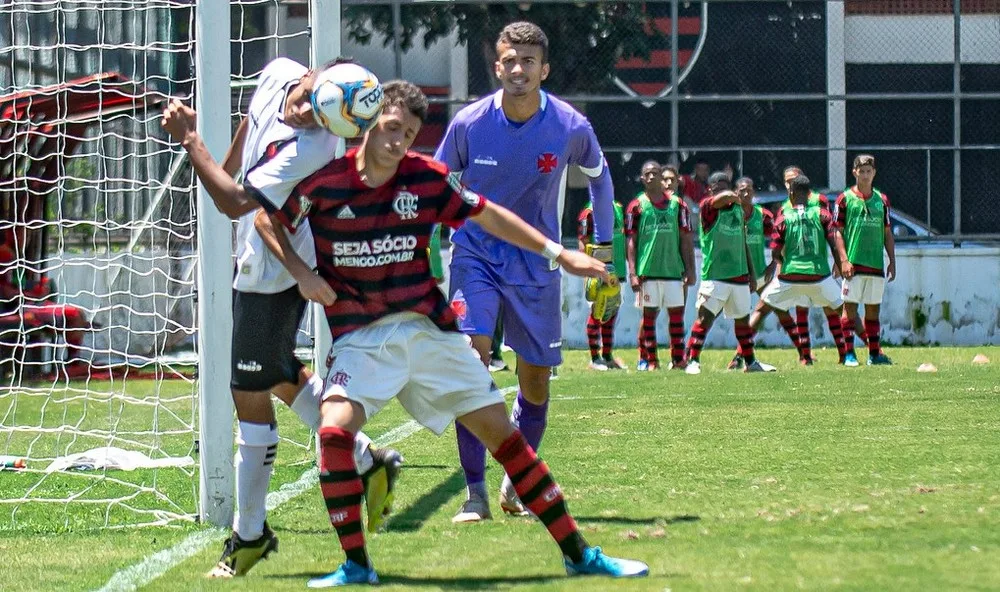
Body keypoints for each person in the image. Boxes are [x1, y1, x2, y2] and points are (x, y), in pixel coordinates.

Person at [256, 80, 649, 586]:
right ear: (368, 125)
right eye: (392, 128)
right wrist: (301, 272)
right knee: (333, 432)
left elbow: (489, 214)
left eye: (411, 133)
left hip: (430, 334)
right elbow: (268, 217)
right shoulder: (326, 183)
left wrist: (559, 252)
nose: (399, 141)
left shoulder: (428, 179)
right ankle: (356, 566)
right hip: (362, 339)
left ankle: (580, 553)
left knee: (506, 441)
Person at [160, 57, 401, 578]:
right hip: (264, 263)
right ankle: (365, 459)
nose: (321, 125)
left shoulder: (313, 149)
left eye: (335, 124)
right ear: (314, 78)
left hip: (273, 275)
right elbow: (249, 129)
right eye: (320, 111)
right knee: (277, 375)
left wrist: (190, 139)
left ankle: (249, 535)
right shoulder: (274, 72)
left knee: (248, 393)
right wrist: (221, 163)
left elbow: (236, 205)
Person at [434, 22, 621, 522]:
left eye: (528, 61)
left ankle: (517, 479)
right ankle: (474, 492)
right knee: (471, 362)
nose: (518, 69)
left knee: (535, 382)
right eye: (509, 61)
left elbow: (601, 182)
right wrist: (420, 246)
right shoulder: (469, 124)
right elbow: (434, 184)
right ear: (497, 67)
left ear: (545, 68)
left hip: (539, 261)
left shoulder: (570, 125)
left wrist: (604, 253)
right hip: (474, 253)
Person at [750, 175, 850, 361]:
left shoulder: (783, 215)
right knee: (843, 310)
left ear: (791, 192)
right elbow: (833, 240)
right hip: (818, 274)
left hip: (791, 274)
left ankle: (744, 353)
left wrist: (784, 262)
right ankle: (853, 353)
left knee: (761, 310)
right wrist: (840, 262)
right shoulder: (820, 212)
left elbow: (775, 251)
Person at [684, 173, 775, 374]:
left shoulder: (737, 210)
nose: (725, 190)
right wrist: (733, 193)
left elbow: (744, 243)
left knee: (742, 321)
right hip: (716, 276)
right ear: (711, 189)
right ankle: (693, 361)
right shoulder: (708, 207)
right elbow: (722, 198)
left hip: (739, 276)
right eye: (720, 186)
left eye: (727, 185)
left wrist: (751, 274)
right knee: (704, 319)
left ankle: (750, 362)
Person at [626, 162, 696, 371]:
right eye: (646, 174)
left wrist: (690, 269)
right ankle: (651, 360)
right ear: (641, 178)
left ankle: (678, 359)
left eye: (654, 174)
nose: (650, 177)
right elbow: (631, 241)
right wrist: (632, 273)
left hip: (673, 270)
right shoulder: (636, 206)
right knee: (649, 318)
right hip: (647, 271)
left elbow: (685, 239)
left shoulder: (678, 205)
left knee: (676, 316)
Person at [835, 154, 895, 366]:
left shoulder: (882, 200)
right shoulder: (844, 199)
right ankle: (849, 354)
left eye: (869, 171)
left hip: (875, 264)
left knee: (873, 310)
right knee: (849, 308)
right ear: (854, 172)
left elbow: (887, 232)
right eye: (862, 171)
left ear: (874, 173)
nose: (866, 175)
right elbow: (838, 232)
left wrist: (892, 260)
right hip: (853, 264)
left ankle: (874, 354)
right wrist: (843, 259)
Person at [726, 178, 778, 370]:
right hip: (736, 274)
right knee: (712, 314)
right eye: (742, 190)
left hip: (760, 274)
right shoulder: (729, 215)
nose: (746, 194)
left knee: (775, 307)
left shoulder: (762, 215)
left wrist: (774, 264)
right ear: (735, 192)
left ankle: (804, 354)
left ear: (754, 192)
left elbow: (779, 239)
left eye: (749, 190)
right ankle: (692, 354)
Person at [578, 196, 627, 370]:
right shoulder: (589, 211)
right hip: (597, 270)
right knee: (596, 312)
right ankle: (594, 358)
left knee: (611, 311)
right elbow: (583, 242)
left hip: (617, 269)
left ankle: (607, 356)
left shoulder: (619, 208)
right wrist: (587, 271)